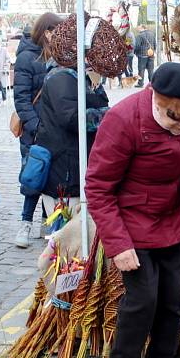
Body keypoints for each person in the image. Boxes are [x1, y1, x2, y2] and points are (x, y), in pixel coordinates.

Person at [86, 62, 180, 358]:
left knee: (171, 303)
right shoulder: (123, 119)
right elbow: (98, 188)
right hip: (132, 225)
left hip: (174, 220)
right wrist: (119, 244)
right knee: (141, 302)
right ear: (157, 98)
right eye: (177, 119)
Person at [35, 15, 109, 217]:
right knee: (66, 236)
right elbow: (72, 118)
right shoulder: (61, 76)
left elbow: (99, 103)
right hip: (65, 173)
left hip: (75, 167)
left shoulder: (80, 75)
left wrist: (95, 87)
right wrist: (111, 117)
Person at [13, 13, 63, 247]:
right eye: (57, 32)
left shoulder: (62, 56)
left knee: (51, 178)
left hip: (55, 129)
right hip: (34, 130)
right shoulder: (26, 58)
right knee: (33, 176)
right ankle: (25, 223)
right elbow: (21, 98)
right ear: (47, 32)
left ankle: (47, 223)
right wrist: (35, 127)